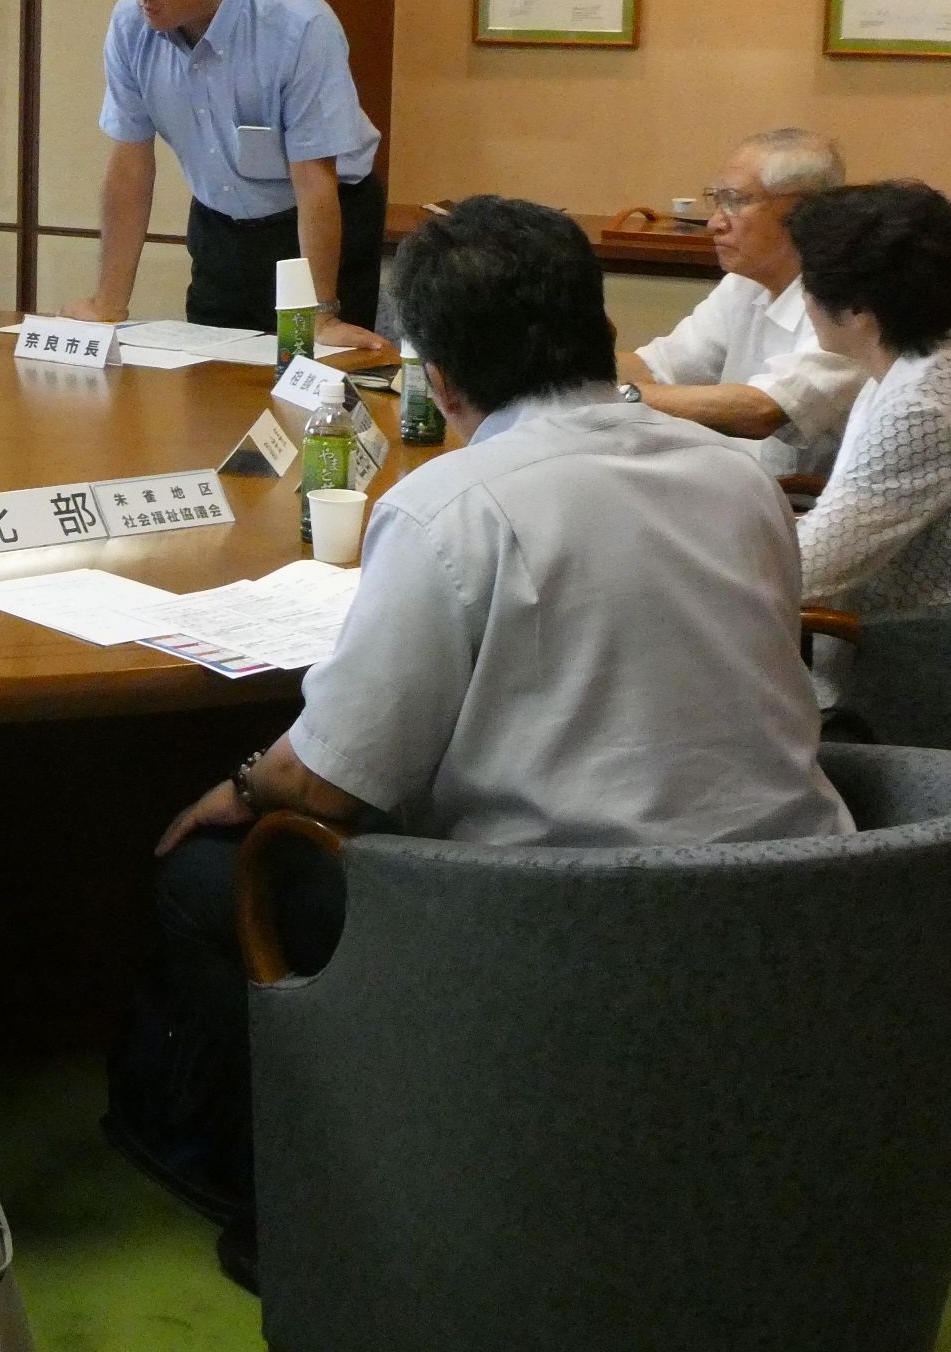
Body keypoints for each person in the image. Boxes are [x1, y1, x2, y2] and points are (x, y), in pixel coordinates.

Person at [110, 196, 848, 1291]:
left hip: (549, 933)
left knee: (207, 876)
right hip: (787, 906)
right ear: (593, 328)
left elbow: (328, 783)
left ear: (438, 376)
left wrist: (235, 784)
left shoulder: (453, 506)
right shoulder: (736, 477)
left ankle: (316, 1202)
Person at [63, 0, 385, 347]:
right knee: (213, 384)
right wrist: (108, 304)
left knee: (312, 383)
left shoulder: (299, 26)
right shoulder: (131, 26)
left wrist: (323, 316)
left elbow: (316, 178)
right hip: (220, 226)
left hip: (317, 218)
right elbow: (131, 163)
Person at [788, 181, 951, 612]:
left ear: (859, 307)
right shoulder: (941, 369)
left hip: (944, 660)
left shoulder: (921, 409)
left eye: (807, 281)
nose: (803, 297)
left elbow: (804, 573)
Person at [621, 127, 862, 480]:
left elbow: (764, 409)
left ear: (804, 210)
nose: (714, 223)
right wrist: (556, 373)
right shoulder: (744, 284)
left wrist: (622, 398)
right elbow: (656, 366)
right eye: (717, 200)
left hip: (802, 510)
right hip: (731, 488)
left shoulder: (853, 296)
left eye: (736, 201)